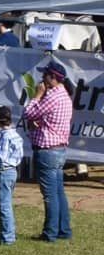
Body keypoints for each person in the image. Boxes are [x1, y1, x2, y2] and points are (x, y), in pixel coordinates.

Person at [25, 60, 75, 243]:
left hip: (47, 150)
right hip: (59, 149)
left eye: (45, 75)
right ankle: (63, 230)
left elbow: (28, 113)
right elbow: (41, 118)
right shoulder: (64, 95)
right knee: (58, 192)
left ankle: (50, 233)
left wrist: (37, 95)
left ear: (53, 78)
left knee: (50, 195)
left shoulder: (51, 96)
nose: (42, 78)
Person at [0, 105, 25, 246]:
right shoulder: (15, 134)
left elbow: (2, 156)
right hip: (13, 170)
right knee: (6, 204)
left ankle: (7, 237)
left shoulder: (5, 136)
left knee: (4, 206)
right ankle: (7, 235)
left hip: (5, 171)